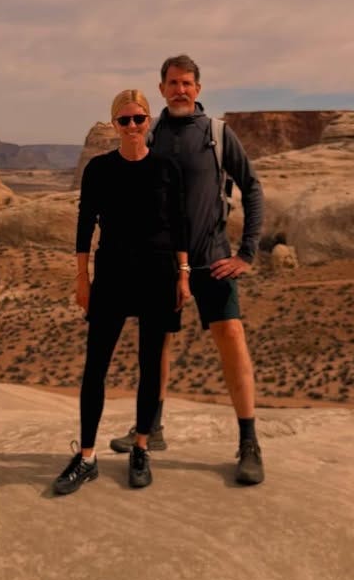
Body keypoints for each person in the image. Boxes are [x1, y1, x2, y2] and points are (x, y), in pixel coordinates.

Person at [109, 54, 266, 485]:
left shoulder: (217, 133)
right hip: (161, 264)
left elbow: (252, 187)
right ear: (161, 88)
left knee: (231, 337)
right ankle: (151, 428)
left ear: (198, 88)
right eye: (173, 83)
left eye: (187, 83)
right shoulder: (150, 133)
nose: (180, 90)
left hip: (212, 258)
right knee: (156, 343)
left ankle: (249, 442)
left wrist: (247, 253)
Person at [53, 89, 190, 495]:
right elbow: (85, 224)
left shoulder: (167, 167)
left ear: (149, 121)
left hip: (158, 273)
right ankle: (87, 456)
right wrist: (82, 277)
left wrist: (183, 273)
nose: (132, 126)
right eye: (124, 120)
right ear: (114, 124)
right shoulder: (99, 169)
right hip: (112, 273)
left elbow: (179, 224)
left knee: (150, 364)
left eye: (139, 118)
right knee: (96, 366)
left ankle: (141, 448)